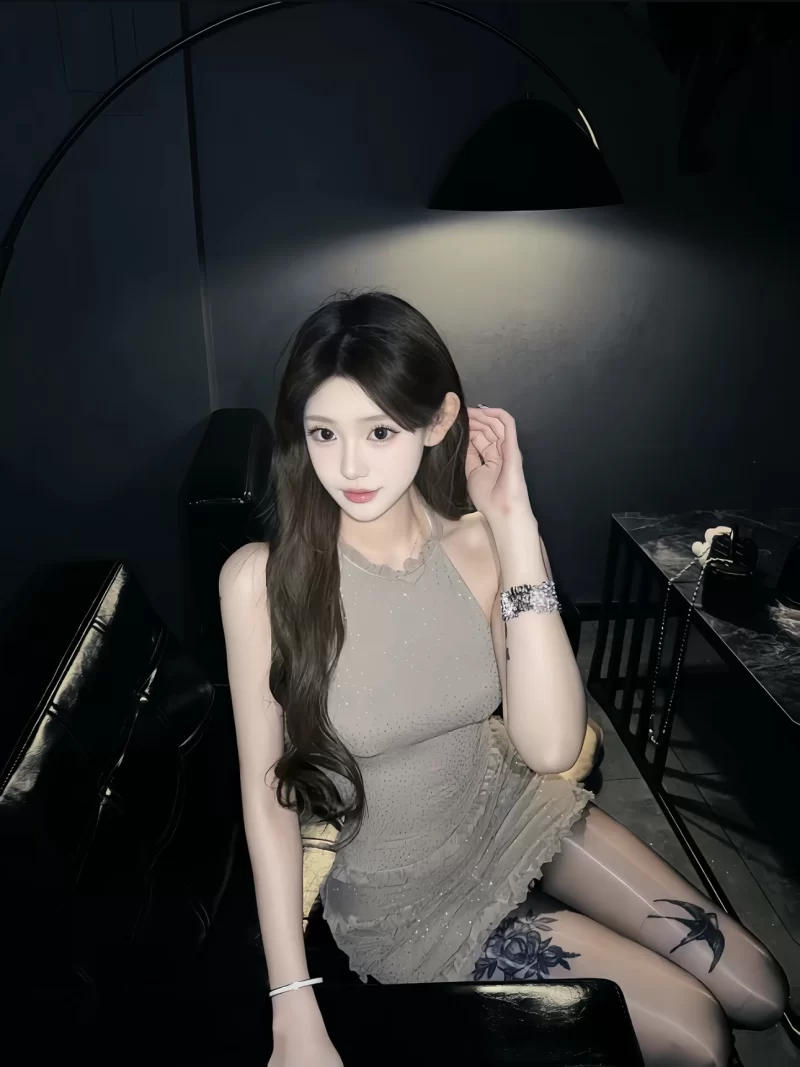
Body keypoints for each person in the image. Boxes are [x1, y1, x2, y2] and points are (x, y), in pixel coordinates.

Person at [219, 290, 788, 1067]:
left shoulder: (481, 545)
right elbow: (266, 794)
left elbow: (550, 746)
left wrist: (515, 522)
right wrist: (293, 1002)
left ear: (437, 421)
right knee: (698, 1031)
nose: (348, 466)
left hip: (510, 808)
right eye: (324, 432)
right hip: (409, 896)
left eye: (379, 431)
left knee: (760, 988)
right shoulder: (262, 581)